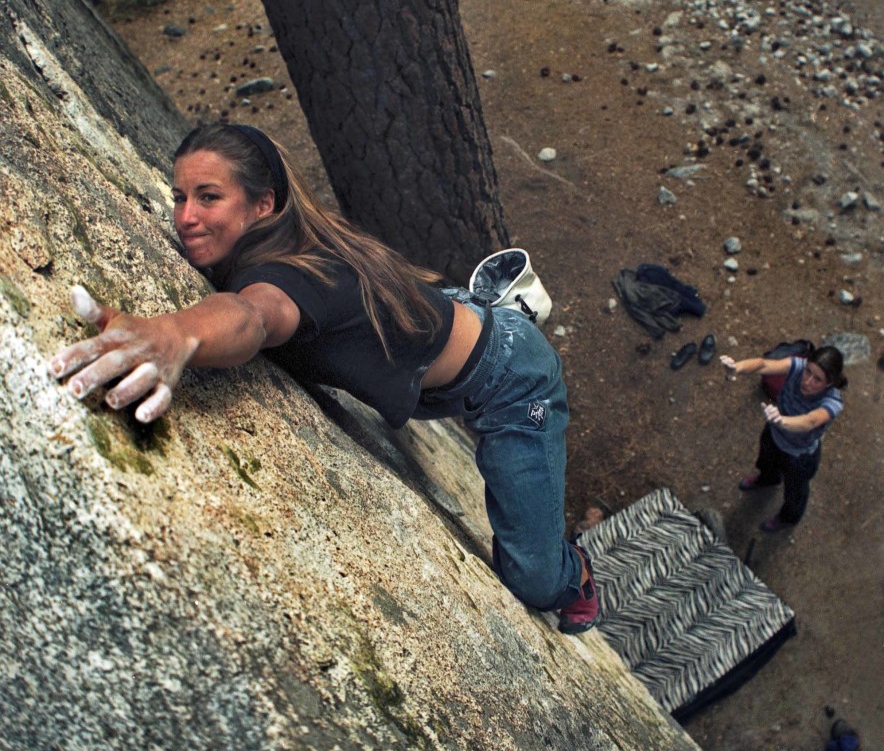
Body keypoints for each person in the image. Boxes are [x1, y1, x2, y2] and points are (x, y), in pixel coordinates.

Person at [48, 123, 599, 634]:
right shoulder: (278, 240)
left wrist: (176, 334)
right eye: (179, 197)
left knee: (533, 579)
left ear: (264, 204)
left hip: (508, 378)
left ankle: (576, 575)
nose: (185, 216)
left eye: (208, 197)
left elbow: (253, 317)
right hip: (444, 338)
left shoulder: (291, 278)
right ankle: (494, 308)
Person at [720, 346, 846, 532]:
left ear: (829, 383)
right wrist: (737, 367)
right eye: (808, 372)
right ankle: (767, 479)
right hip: (774, 435)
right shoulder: (797, 366)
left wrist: (782, 421)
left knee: (796, 492)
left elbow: (810, 421)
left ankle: (788, 518)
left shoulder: (832, 402)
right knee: (766, 462)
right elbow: (764, 365)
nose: (808, 381)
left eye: (817, 379)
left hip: (799, 455)